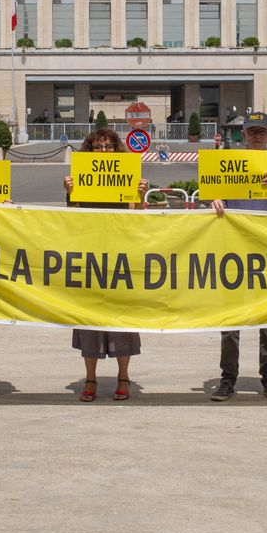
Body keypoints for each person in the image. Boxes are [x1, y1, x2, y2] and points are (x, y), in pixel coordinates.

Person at [208, 111, 267, 402]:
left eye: (262, 131)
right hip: (232, 248)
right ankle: (227, 378)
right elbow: (212, 198)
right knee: (230, 320)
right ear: (243, 135)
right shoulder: (227, 165)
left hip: (266, 248)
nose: (256, 136)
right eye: (251, 132)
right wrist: (214, 200)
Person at [63, 128, 150, 402]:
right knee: (89, 320)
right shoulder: (79, 181)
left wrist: (138, 196)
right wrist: (71, 193)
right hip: (89, 258)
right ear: (89, 151)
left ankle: (123, 377)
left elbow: (137, 220)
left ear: (116, 151)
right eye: (98, 147)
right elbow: (72, 220)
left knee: (122, 319)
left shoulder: (128, 178)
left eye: (108, 147)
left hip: (121, 257)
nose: (103, 151)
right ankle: (90, 378)